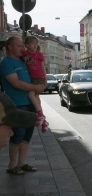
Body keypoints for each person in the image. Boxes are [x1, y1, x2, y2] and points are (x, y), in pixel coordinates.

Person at [0, 36, 45, 175]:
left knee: (27, 136)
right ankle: (12, 165)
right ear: (10, 47)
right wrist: (35, 88)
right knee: (17, 135)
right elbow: (16, 83)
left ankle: (22, 162)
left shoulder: (22, 60)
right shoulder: (6, 62)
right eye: (19, 46)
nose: (23, 48)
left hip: (29, 103)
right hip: (17, 104)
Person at [23, 36, 49, 133]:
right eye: (32, 43)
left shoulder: (39, 55)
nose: (35, 46)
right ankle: (44, 120)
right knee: (36, 98)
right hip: (31, 79)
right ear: (27, 45)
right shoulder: (25, 54)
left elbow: (43, 68)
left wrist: (45, 79)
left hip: (39, 78)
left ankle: (40, 115)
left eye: (36, 44)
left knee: (31, 95)